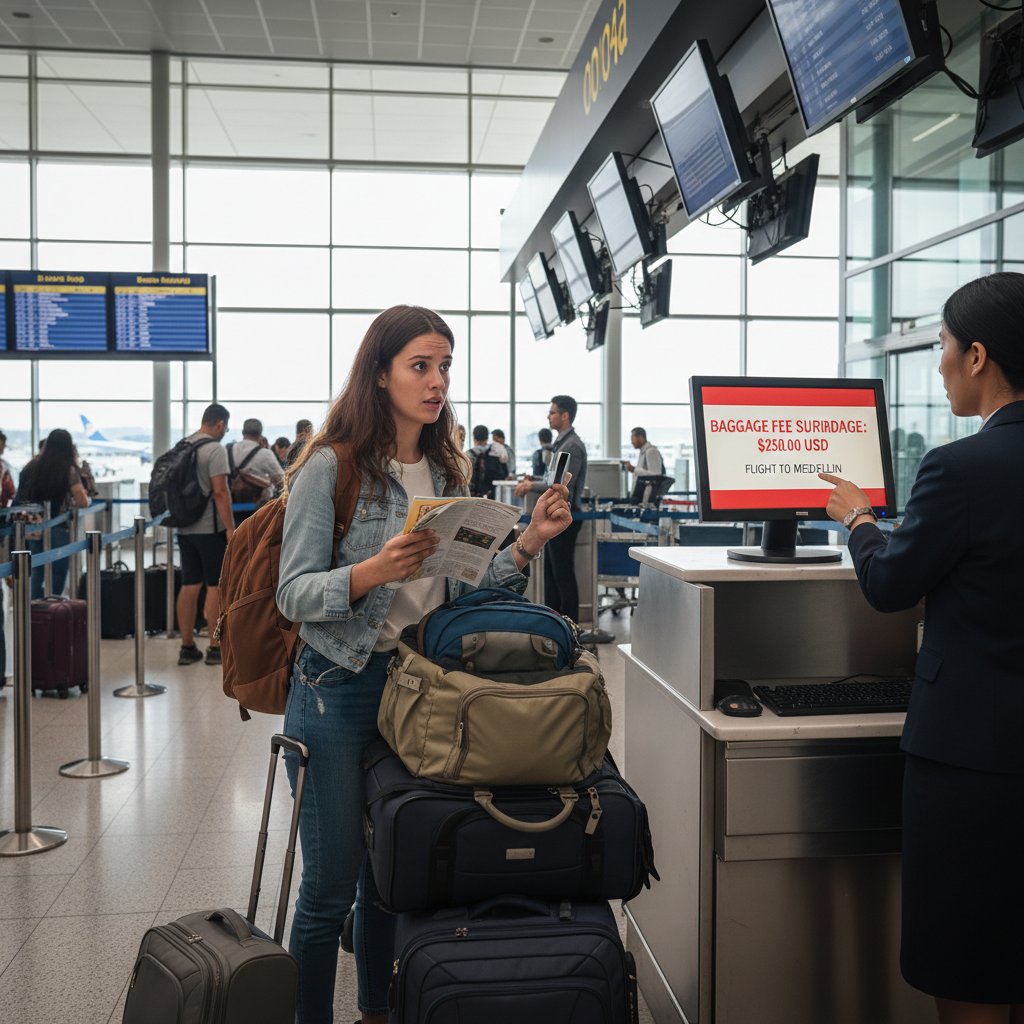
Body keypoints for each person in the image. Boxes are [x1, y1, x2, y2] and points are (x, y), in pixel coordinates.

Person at [277, 304, 572, 1024]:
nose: (437, 380)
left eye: (444, 365)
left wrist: (528, 543)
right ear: (380, 375)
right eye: (420, 365)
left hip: (416, 691)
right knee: (328, 887)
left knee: (391, 876)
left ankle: (376, 1010)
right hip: (337, 688)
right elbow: (292, 594)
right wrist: (371, 571)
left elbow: (463, 586)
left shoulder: (447, 466)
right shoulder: (331, 466)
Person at [818, 272, 1024, 1024]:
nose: (937, 363)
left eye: (941, 346)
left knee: (968, 958)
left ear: (977, 356)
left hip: (974, 759)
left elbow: (890, 585)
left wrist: (859, 521)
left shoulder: (960, 467)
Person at [515, 394, 588, 622]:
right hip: (555, 515)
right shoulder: (562, 443)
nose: (549, 416)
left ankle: (570, 626)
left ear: (565, 416)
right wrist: (535, 479)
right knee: (552, 574)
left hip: (565, 516)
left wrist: (530, 485)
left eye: (553, 412)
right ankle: (554, 622)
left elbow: (562, 482)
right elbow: (551, 477)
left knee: (562, 573)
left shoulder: (572, 446)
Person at [175, 404, 234, 667]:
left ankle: (187, 646)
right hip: (209, 529)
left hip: (184, 527)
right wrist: (231, 528)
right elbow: (220, 491)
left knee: (189, 585)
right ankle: (214, 646)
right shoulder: (214, 449)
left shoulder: (182, 445)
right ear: (220, 424)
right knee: (214, 585)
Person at [14, 428, 91, 600]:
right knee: (59, 570)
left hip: (33, 525)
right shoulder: (67, 469)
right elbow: (82, 500)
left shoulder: (32, 466)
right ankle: (53, 607)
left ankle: (34, 610)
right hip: (58, 525)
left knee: (36, 570)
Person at [226, 417, 285, 524]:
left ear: (243, 433)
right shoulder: (265, 454)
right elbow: (282, 480)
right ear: (260, 435)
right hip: (256, 510)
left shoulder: (228, 450)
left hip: (229, 509)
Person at [467, 424, 507, 498]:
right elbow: (503, 475)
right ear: (487, 437)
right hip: (494, 496)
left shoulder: (469, 455)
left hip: (474, 496)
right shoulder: (497, 453)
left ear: (474, 438)